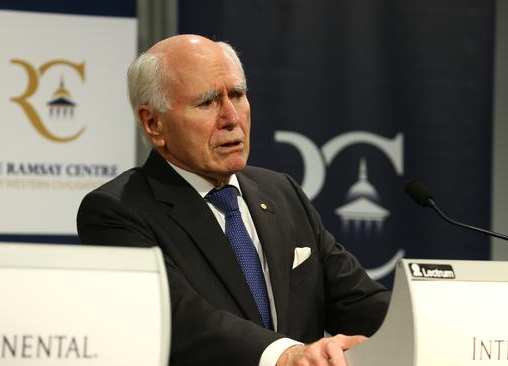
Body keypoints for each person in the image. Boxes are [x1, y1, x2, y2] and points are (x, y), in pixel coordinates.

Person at [77, 34, 390, 366]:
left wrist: (430, 324)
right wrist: (285, 355)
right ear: (153, 123)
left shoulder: (282, 193)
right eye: (208, 102)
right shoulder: (117, 211)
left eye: (238, 95)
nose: (231, 118)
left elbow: (359, 299)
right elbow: (178, 318)